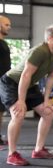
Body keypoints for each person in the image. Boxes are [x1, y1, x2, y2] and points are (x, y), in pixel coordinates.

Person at [0, 25, 53, 166]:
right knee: (18, 113)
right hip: (11, 82)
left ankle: (38, 150)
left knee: (48, 113)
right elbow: (25, 75)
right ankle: (12, 154)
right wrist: (21, 100)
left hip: (29, 84)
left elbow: (51, 77)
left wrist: (46, 99)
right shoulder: (39, 51)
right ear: (50, 39)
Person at [0, 15, 12, 146]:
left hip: (3, 82)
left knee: (0, 111)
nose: (9, 27)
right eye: (6, 24)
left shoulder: (3, 43)